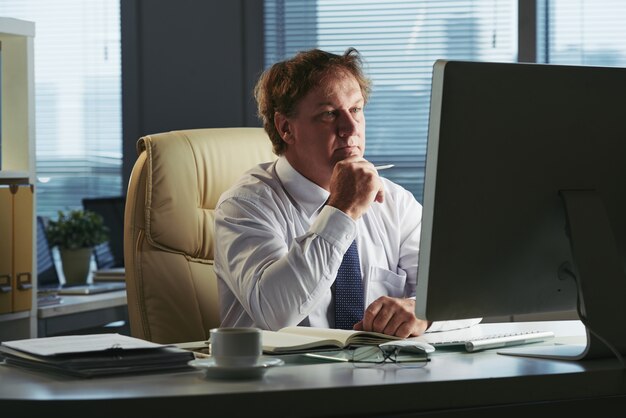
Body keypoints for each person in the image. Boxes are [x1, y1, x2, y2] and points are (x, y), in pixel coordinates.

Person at [214, 48, 479, 337]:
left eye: (355, 110)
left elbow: (469, 295)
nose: (351, 128)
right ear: (286, 128)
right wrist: (341, 210)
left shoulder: (395, 201)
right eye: (328, 114)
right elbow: (276, 313)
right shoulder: (244, 205)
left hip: (381, 375)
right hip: (285, 379)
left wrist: (420, 313)